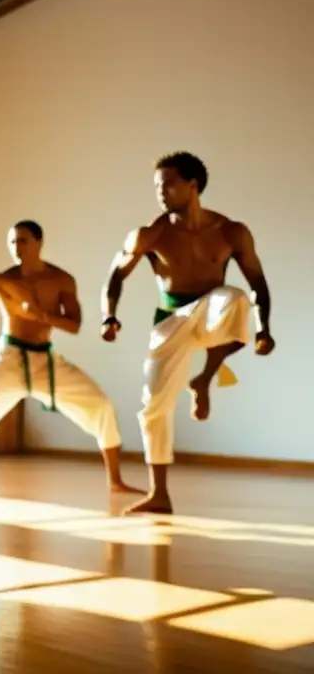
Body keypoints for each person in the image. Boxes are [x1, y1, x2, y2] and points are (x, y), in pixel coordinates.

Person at [102, 151, 274, 515]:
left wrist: (265, 330)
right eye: (156, 186)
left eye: (168, 184)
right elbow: (116, 276)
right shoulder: (151, 233)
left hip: (212, 310)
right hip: (170, 319)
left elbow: (257, 281)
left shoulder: (231, 231)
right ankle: (159, 494)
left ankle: (204, 380)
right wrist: (109, 317)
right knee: (153, 409)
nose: (160, 192)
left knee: (236, 298)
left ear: (192, 185)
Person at [0, 221, 139, 496]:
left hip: (45, 361)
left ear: (39, 243)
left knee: (101, 406)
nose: (17, 247)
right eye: (13, 242)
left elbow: (74, 324)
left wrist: (45, 317)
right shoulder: (4, 279)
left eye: (23, 240)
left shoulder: (61, 280)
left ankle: (115, 480)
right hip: (9, 358)